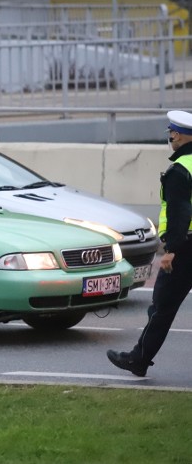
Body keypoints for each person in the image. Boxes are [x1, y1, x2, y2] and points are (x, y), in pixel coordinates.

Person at [107, 110, 192, 377]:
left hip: (184, 250)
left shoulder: (179, 170)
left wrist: (171, 251)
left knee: (161, 309)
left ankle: (139, 359)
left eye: (171, 133)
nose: (170, 137)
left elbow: (180, 213)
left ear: (177, 134)